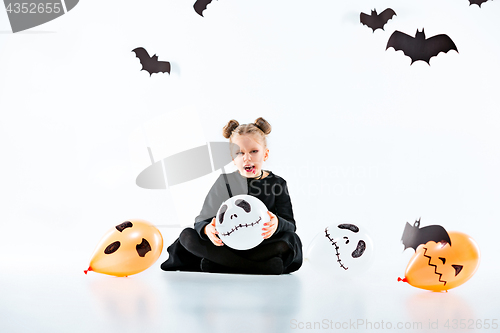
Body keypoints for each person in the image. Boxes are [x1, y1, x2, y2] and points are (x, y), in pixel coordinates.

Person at [160, 117, 302, 274]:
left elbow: (290, 224)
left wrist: (277, 224)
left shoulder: (277, 183)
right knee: (186, 236)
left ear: (265, 154)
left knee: (290, 241)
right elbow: (202, 219)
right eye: (240, 153)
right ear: (233, 158)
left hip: (261, 246)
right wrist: (207, 229)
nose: (247, 158)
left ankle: (221, 264)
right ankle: (255, 267)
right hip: (226, 244)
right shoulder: (224, 181)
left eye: (254, 151)